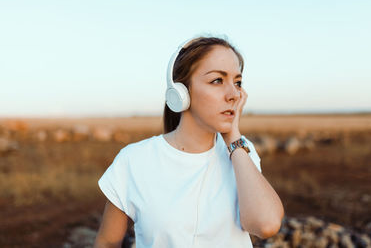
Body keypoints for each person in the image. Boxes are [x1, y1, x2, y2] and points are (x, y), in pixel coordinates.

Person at [94, 36, 284, 248]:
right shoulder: (135, 160)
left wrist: (233, 138)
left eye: (237, 83)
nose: (233, 94)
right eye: (217, 80)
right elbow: (107, 243)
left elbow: (266, 225)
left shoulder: (241, 152)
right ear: (181, 92)